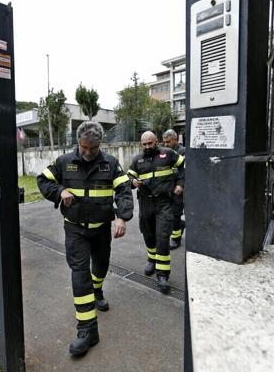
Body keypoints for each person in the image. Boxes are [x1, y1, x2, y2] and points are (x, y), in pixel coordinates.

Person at [37, 121, 133, 356]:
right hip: (75, 229)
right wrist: (60, 191)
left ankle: (97, 290)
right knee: (80, 274)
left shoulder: (110, 163)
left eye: (93, 148)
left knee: (100, 267)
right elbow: (43, 180)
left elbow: (124, 190)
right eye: (84, 147)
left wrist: (122, 217)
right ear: (78, 143)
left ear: (100, 144)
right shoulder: (64, 162)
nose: (88, 153)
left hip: (101, 228)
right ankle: (87, 330)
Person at [128, 131, 184, 294]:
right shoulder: (137, 159)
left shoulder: (168, 154)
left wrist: (181, 183)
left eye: (150, 143)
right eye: (144, 144)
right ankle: (151, 259)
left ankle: (163, 275)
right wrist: (133, 181)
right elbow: (129, 176)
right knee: (148, 235)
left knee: (162, 237)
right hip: (145, 203)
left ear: (156, 142)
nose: (147, 147)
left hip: (164, 203)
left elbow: (185, 166)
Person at [162, 129, 186, 250]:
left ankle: (176, 239)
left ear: (175, 140)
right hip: (169, 187)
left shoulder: (183, 152)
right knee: (169, 213)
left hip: (179, 188)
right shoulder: (166, 152)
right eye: (164, 142)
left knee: (175, 213)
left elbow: (184, 171)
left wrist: (181, 184)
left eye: (168, 141)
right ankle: (180, 225)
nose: (166, 144)